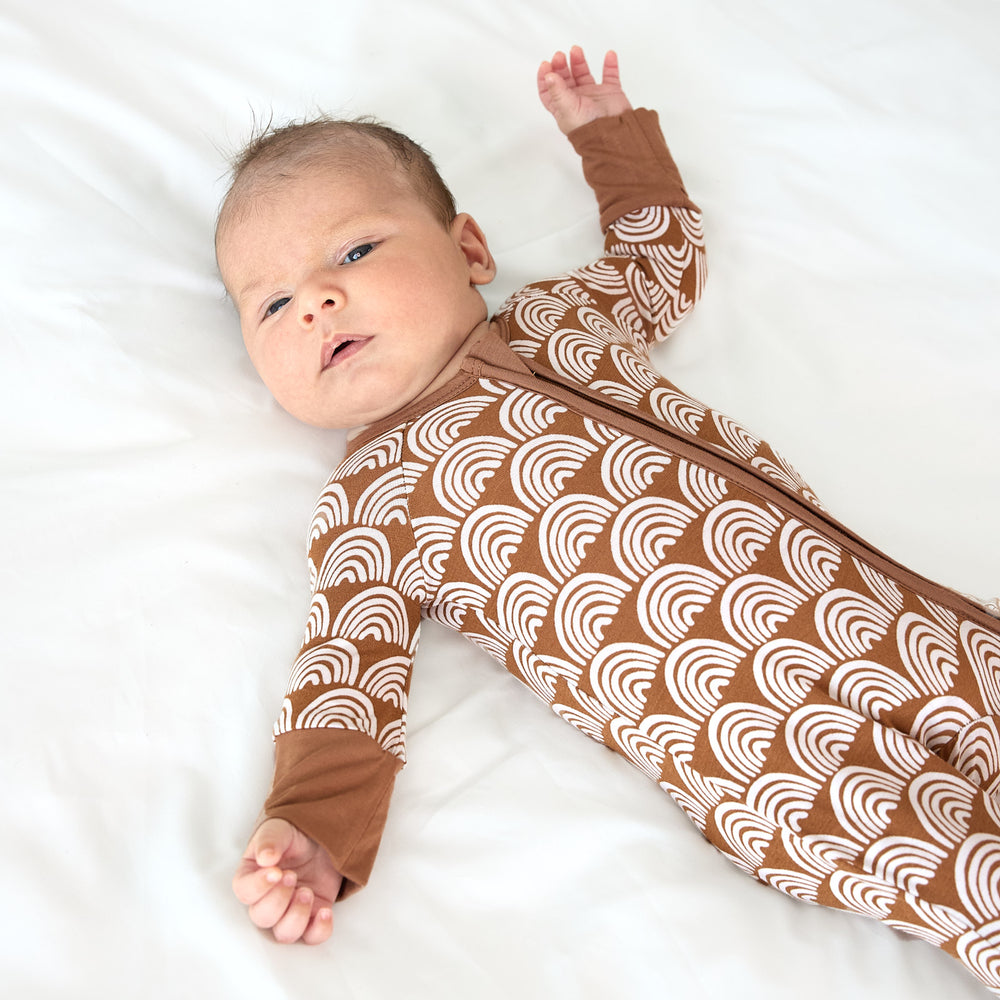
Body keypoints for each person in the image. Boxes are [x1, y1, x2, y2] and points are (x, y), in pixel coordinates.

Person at [215, 46, 1000, 992]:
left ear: (469, 250)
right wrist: (313, 826)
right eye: (273, 303)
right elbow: (348, 669)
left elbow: (661, 259)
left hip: (902, 626)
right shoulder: (373, 502)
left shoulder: (561, 317)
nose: (319, 302)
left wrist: (607, 136)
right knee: (972, 884)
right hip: (766, 752)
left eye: (353, 251)